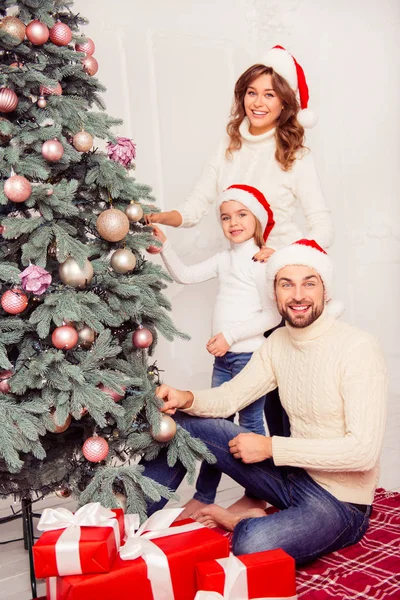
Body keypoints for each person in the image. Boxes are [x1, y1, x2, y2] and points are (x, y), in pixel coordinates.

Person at [140, 239, 387, 564]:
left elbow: (362, 452)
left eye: (308, 283)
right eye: (287, 284)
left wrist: (271, 448)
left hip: (339, 502)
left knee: (253, 543)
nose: (298, 295)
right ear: (275, 293)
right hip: (291, 476)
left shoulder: (358, 348)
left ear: (325, 290)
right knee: (180, 426)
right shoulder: (279, 343)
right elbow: (231, 397)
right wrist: (185, 398)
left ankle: (241, 519)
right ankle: (133, 518)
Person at [152, 184, 282, 518]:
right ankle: (205, 495)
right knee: (213, 425)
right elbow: (184, 275)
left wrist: (229, 335)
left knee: (250, 426)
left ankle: (257, 494)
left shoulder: (262, 260)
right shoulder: (225, 259)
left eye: (241, 215)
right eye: (226, 217)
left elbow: (272, 314)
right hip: (223, 359)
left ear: (257, 218)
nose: (233, 222)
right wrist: (165, 245)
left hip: (250, 357)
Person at [147, 45, 333, 258]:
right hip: (240, 268)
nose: (257, 103)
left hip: (283, 273)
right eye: (251, 93)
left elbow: (322, 226)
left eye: (269, 95)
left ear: (284, 103)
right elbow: (195, 206)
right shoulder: (228, 145)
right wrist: (161, 217)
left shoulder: (296, 156)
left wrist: (282, 255)